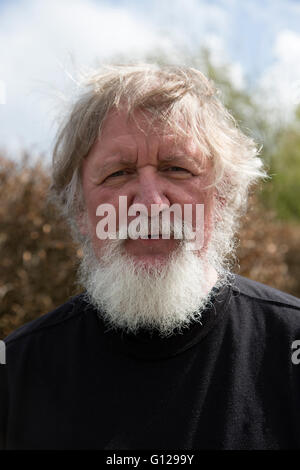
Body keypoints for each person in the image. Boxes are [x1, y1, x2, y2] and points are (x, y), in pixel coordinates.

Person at [1, 64, 300, 450]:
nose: (149, 203)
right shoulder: (19, 371)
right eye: (119, 173)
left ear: (223, 196)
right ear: (79, 208)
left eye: (176, 169)